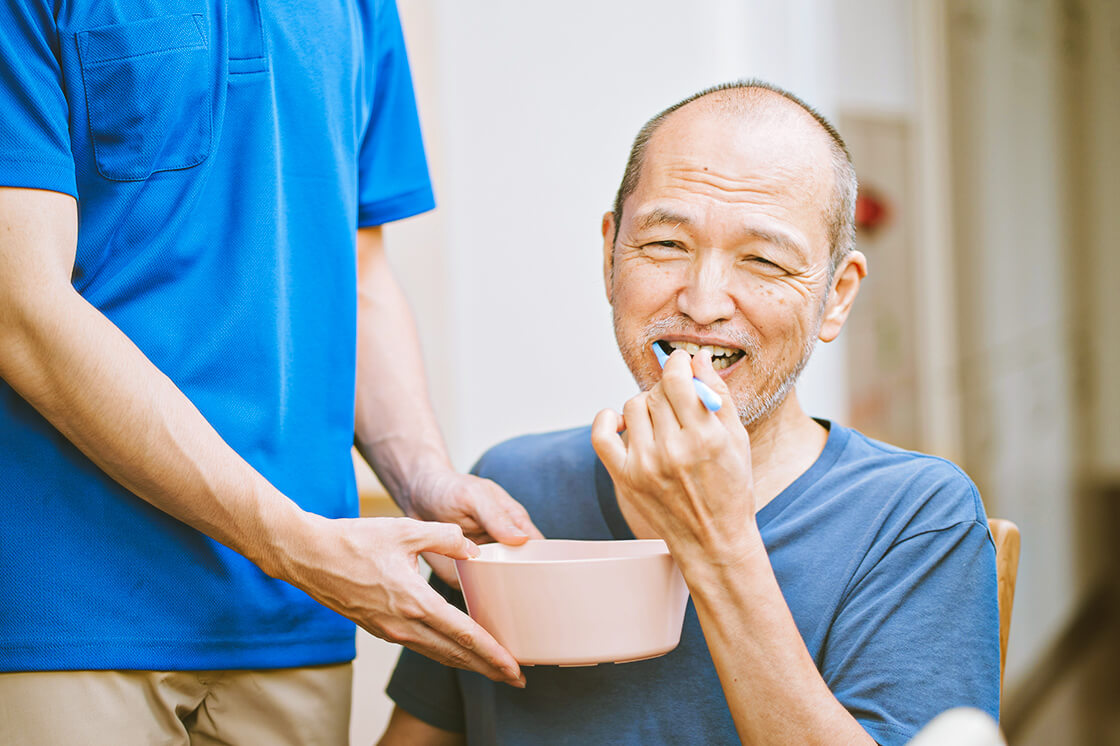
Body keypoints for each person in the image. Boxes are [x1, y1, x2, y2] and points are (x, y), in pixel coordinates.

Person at [381, 80, 1001, 745]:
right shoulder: (512, 492)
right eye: (665, 246)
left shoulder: (913, 518)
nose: (703, 303)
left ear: (837, 296)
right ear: (609, 255)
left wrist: (717, 540)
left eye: (763, 260)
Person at [0, 0, 541, 743]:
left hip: (298, 612)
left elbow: (357, 271)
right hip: (73, 606)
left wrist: (424, 477)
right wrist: (300, 546)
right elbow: (20, 310)